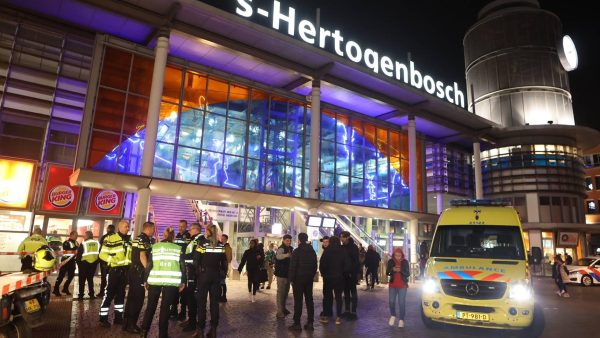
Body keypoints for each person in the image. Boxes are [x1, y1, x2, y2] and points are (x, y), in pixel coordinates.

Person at [140, 227, 186, 338]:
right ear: (173, 236)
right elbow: (183, 267)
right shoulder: (178, 248)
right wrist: (183, 281)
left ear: (164, 235)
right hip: (171, 282)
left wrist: (146, 280)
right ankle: (162, 334)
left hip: (155, 280)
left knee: (150, 306)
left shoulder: (155, 247)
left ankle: (143, 333)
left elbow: (149, 265)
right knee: (165, 309)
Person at [193, 223, 228, 338]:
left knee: (201, 303)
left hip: (204, 275)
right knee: (214, 304)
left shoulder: (201, 244)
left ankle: (200, 330)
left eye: (205, 230)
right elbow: (224, 262)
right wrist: (222, 273)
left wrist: (199, 274)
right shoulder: (220, 245)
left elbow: (196, 261)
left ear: (208, 231)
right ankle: (213, 330)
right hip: (216, 276)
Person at [98, 220, 132, 328]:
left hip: (124, 272)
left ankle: (118, 318)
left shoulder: (129, 240)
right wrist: (112, 260)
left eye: (128, 227)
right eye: (126, 226)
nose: (128, 228)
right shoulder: (110, 238)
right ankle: (103, 318)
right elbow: (102, 254)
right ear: (120, 227)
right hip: (114, 272)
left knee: (121, 296)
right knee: (108, 295)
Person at [122, 221, 154, 333]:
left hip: (133, 271)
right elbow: (142, 255)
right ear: (148, 228)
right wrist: (148, 271)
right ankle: (131, 324)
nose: (154, 231)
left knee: (131, 297)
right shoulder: (144, 240)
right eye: (153, 229)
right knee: (138, 299)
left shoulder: (137, 238)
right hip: (139, 272)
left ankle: (126, 323)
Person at [288, 232, 317, 331]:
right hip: (308, 279)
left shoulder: (297, 251)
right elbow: (314, 266)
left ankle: (297, 324)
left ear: (299, 240)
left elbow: (293, 266)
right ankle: (310, 323)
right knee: (309, 300)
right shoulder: (312, 251)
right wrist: (311, 276)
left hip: (298, 279)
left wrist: (291, 279)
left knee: (298, 301)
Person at [181, 223, 204, 332]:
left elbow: (195, 258)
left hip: (193, 274)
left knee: (192, 299)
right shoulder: (194, 239)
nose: (189, 231)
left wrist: (182, 257)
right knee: (189, 298)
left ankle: (192, 324)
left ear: (196, 229)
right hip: (190, 272)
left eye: (190, 229)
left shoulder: (198, 240)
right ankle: (191, 320)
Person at [319, 236, 345, 325]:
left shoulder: (327, 251)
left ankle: (326, 316)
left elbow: (322, 265)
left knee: (327, 297)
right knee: (338, 297)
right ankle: (338, 317)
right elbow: (347, 265)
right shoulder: (342, 251)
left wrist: (324, 274)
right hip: (339, 278)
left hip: (328, 278)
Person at [171, 220, 191, 320]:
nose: (180, 228)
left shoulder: (188, 237)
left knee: (184, 292)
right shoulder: (177, 236)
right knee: (175, 290)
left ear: (186, 226)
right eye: (179, 226)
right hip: (176, 266)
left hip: (185, 266)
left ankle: (182, 313)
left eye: (182, 226)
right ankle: (173, 311)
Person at [387, 247, 410, 328]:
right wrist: (392, 269)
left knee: (401, 302)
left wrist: (400, 270)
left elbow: (408, 273)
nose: (397, 257)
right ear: (394, 255)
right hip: (392, 285)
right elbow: (387, 272)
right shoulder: (390, 261)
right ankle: (393, 315)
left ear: (402, 255)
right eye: (396, 255)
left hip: (402, 285)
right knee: (391, 301)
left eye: (399, 255)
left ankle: (401, 319)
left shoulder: (405, 262)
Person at [340, 231, 360, 320]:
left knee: (353, 292)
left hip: (352, 273)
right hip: (344, 274)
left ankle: (353, 312)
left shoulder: (354, 247)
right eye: (341, 237)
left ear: (347, 237)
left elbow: (356, 261)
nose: (341, 238)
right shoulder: (342, 247)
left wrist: (354, 273)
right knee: (346, 292)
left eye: (342, 237)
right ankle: (347, 310)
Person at [54, 231, 79, 296]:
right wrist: (75, 250)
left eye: (77, 235)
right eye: (75, 235)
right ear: (71, 235)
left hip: (72, 262)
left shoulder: (76, 242)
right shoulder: (66, 242)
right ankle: (55, 289)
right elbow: (66, 250)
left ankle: (65, 288)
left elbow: (78, 250)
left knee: (71, 276)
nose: (77, 236)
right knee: (61, 276)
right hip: (65, 261)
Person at [76, 231, 100, 300]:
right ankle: (91, 294)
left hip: (84, 264)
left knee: (82, 280)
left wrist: (79, 264)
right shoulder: (97, 243)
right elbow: (100, 254)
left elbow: (79, 255)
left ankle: (81, 295)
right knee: (90, 279)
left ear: (87, 236)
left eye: (85, 235)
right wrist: (96, 262)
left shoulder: (84, 243)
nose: (84, 236)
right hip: (93, 264)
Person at [275, 234, 293, 318]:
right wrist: (286, 255)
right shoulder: (281, 248)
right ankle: (279, 311)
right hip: (281, 274)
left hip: (287, 274)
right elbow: (278, 256)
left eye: (290, 241)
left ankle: (283, 308)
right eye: (287, 241)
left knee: (285, 293)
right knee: (280, 292)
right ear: (283, 240)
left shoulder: (290, 248)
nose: (289, 242)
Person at [98, 224, 115, 298]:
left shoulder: (105, 237)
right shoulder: (117, 237)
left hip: (105, 261)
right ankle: (111, 293)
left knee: (104, 277)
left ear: (108, 229)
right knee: (112, 278)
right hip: (113, 261)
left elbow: (101, 248)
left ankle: (102, 293)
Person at [220, 234, 233, 302]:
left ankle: (223, 296)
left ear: (226, 239)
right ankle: (222, 296)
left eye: (223, 239)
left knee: (222, 282)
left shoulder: (227, 247)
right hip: (221, 266)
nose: (221, 240)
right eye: (221, 239)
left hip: (223, 267)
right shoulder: (222, 246)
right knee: (221, 282)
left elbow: (229, 259)